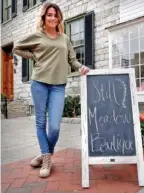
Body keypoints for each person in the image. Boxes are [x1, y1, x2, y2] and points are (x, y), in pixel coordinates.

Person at [12, 2, 90, 178]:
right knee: (41, 122)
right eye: (49, 15)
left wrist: (81, 68)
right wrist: (33, 56)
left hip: (58, 85)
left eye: (55, 15)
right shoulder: (37, 36)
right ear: (44, 17)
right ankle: (47, 159)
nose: (53, 17)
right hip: (39, 82)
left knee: (54, 127)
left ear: (59, 17)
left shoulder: (65, 39)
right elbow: (17, 47)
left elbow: (73, 60)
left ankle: (44, 153)